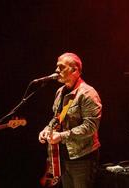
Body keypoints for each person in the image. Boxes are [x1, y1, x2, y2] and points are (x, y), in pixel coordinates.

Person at [38, 52, 102, 188]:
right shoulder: (60, 91)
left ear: (75, 70)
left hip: (83, 157)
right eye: (57, 67)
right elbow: (57, 118)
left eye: (62, 67)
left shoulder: (88, 93)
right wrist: (47, 129)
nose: (56, 70)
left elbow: (91, 127)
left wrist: (61, 136)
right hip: (65, 156)